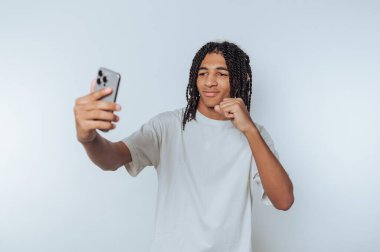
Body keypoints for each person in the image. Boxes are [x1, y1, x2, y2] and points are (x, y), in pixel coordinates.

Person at [73, 41, 294, 252]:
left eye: (222, 74)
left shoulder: (256, 136)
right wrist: (89, 139)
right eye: (203, 73)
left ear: (239, 79)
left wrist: (250, 130)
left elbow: (283, 201)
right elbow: (112, 159)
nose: (209, 81)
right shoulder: (168, 125)